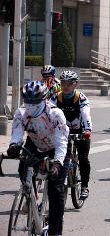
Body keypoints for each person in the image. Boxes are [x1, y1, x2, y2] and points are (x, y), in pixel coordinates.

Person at [7, 81, 69, 236]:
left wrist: (58, 162)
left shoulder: (55, 114)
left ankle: (55, 232)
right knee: (22, 166)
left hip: (56, 148)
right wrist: (14, 145)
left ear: (44, 99)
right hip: (35, 143)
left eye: (34, 102)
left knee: (56, 190)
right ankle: (31, 196)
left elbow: (62, 142)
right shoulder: (20, 113)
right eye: (27, 101)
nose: (30, 105)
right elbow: (17, 133)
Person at [55, 70, 92, 200]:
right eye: (63, 83)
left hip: (81, 131)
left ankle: (84, 187)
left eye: (69, 83)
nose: (65, 86)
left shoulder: (80, 97)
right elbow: (49, 113)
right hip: (63, 132)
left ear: (75, 84)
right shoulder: (56, 97)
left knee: (83, 159)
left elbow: (85, 114)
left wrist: (87, 130)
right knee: (59, 157)